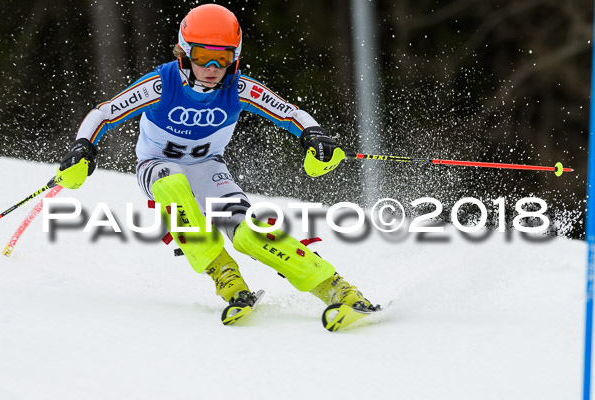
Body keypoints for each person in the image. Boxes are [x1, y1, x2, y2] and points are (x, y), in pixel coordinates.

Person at [55, 3, 377, 324]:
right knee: (172, 184)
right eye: (201, 57)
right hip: (156, 165)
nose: (211, 68)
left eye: (222, 58)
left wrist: (313, 134)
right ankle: (225, 275)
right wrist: (84, 147)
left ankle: (335, 288)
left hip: (208, 168)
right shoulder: (161, 84)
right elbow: (105, 113)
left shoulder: (236, 88)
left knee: (248, 234)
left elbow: (288, 112)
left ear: (233, 58)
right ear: (183, 52)